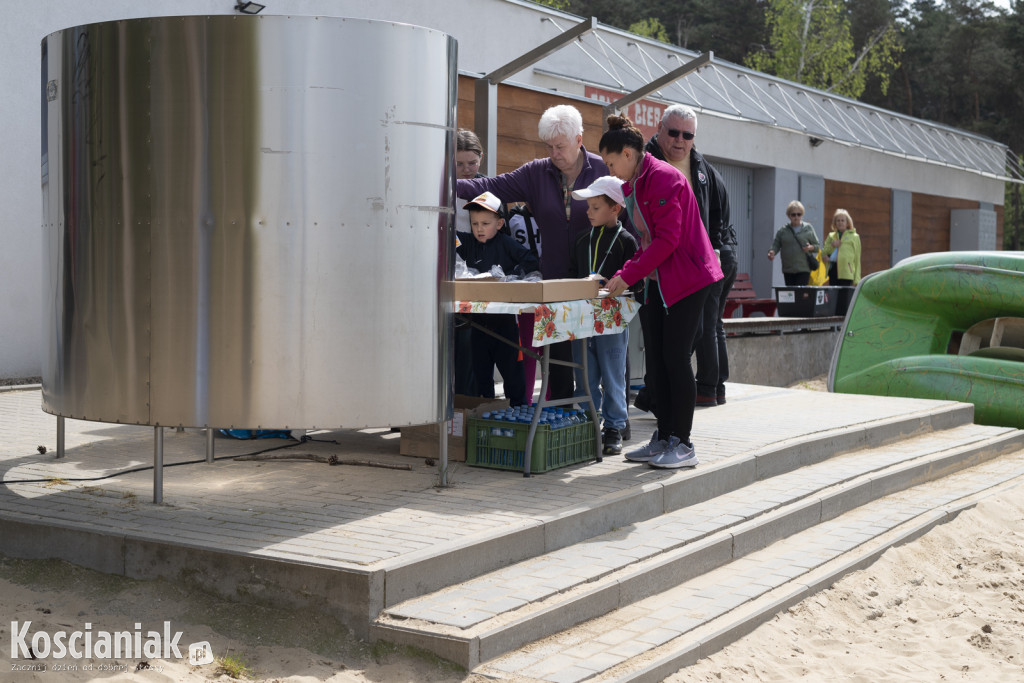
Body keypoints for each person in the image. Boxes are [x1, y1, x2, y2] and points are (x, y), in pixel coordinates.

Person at [456, 105, 620, 404]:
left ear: (579, 140)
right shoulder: (536, 172)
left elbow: (627, 221)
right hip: (555, 281)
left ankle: (612, 424)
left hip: (600, 280)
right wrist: (447, 185)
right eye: (549, 146)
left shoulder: (602, 171)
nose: (554, 153)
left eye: (560, 146)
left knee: (604, 358)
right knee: (557, 361)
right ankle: (562, 422)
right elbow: (491, 186)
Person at [601, 115, 723, 469]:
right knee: (656, 362)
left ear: (627, 154)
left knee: (675, 358)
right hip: (659, 280)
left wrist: (628, 274)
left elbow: (668, 240)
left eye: (611, 163)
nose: (611, 171)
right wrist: (629, 273)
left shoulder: (664, 178)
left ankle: (682, 443)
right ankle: (663, 437)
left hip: (688, 278)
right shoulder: (635, 182)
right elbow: (646, 241)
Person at [644, 104, 737, 408]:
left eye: (687, 135)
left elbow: (718, 217)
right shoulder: (646, 162)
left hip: (699, 264)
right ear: (659, 130)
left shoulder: (703, 169)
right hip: (658, 265)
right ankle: (662, 392)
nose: (679, 140)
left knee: (702, 327)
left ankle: (707, 389)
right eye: (673, 132)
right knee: (666, 336)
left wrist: (718, 251)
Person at [567, 176, 639, 455]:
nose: (589, 212)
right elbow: (574, 276)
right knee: (584, 372)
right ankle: (587, 423)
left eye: (595, 207)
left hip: (613, 320)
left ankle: (614, 427)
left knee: (612, 375)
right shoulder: (581, 239)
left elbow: (636, 282)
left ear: (615, 209)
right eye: (588, 206)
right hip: (582, 318)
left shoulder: (626, 242)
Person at [456, 192, 540, 406]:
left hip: (505, 325)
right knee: (481, 378)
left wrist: (512, 277)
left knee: (513, 377)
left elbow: (531, 261)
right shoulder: (467, 242)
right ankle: (484, 418)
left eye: (485, 223)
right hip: (477, 325)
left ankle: (519, 414)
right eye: (474, 223)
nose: (479, 228)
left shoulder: (507, 243)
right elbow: (446, 233)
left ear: (500, 223)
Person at [768, 200, 820, 286]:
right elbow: (776, 245)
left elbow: (817, 246)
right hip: (788, 269)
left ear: (802, 215)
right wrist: (772, 252)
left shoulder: (808, 228)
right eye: (793, 214)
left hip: (803, 269)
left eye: (799, 214)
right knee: (790, 296)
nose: (796, 217)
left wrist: (810, 247)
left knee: (800, 296)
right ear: (789, 215)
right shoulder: (783, 230)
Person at [822, 208, 862, 286]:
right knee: (833, 297)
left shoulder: (854, 237)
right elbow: (823, 252)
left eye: (842, 220)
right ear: (835, 223)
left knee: (844, 298)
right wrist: (832, 245)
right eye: (838, 220)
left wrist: (857, 278)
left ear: (847, 223)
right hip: (833, 271)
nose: (840, 222)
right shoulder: (831, 236)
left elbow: (857, 258)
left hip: (847, 272)